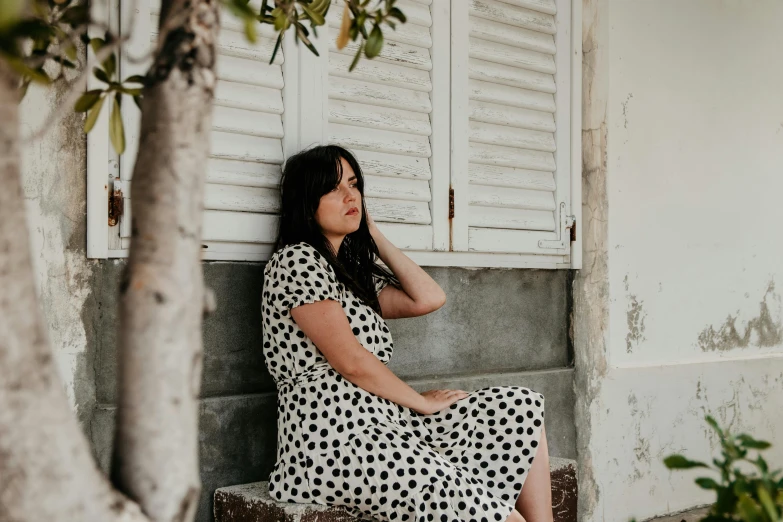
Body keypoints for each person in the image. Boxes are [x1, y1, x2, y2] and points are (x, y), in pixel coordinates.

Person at [261, 144, 553, 522]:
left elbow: (429, 297)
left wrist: (372, 232)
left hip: (386, 427)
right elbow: (350, 362)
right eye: (334, 189)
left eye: (354, 184)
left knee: (518, 406)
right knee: (493, 514)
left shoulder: (347, 276)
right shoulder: (296, 260)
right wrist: (420, 401)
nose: (351, 196)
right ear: (307, 201)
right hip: (335, 443)